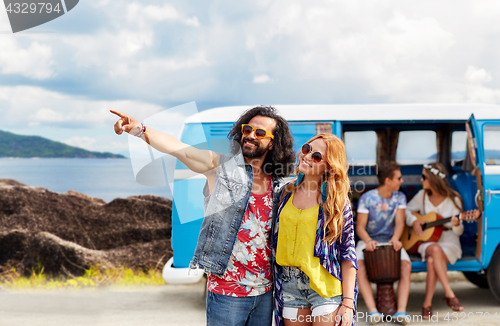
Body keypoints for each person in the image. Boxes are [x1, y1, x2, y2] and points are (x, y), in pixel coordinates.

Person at [111, 106, 296, 326]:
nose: (250, 136)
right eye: (248, 129)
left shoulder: (278, 184)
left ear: (273, 143)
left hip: (265, 292)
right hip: (227, 293)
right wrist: (140, 130)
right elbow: (180, 149)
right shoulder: (220, 167)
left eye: (260, 133)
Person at [271, 133, 358, 326]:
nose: (307, 156)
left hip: (325, 287)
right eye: (306, 149)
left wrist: (348, 303)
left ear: (329, 166)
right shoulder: (285, 192)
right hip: (289, 285)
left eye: (317, 156)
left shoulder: (336, 202)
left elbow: (348, 253)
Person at [406, 163, 471, 319]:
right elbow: (406, 210)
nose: (421, 180)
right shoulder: (422, 195)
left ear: (433, 179)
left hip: (449, 241)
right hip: (428, 242)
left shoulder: (453, 198)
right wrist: (414, 221)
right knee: (434, 250)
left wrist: (456, 225)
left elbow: (460, 231)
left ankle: (427, 304)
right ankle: (449, 293)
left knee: (431, 261)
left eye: (424, 177)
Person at [355, 162, 412, 325]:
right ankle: (373, 311)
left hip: (391, 240)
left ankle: (401, 311)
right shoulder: (367, 198)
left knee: (406, 266)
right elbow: (360, 227)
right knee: (358, 266)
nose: (402, 181)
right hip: (369, 239)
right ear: (388, 180)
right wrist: (368, 241)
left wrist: (395, 238)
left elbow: (400, 223)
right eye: (398, 178)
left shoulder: (400, 197)